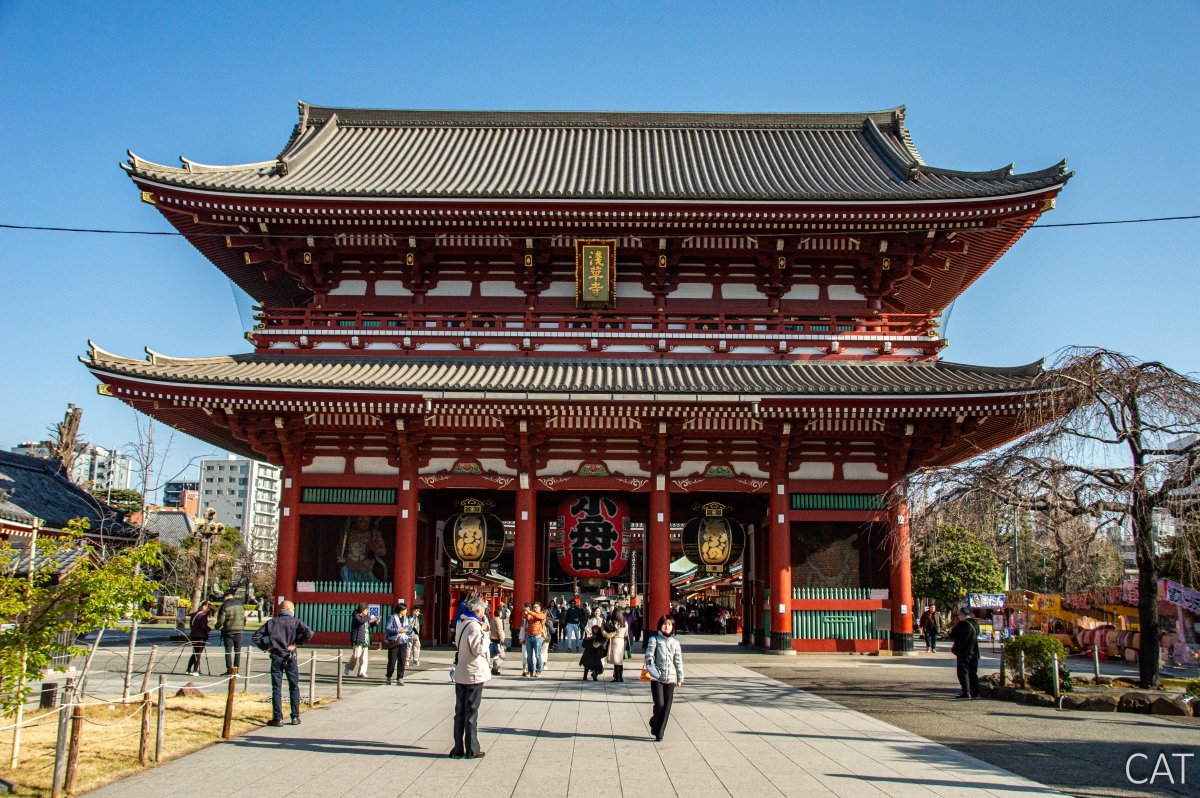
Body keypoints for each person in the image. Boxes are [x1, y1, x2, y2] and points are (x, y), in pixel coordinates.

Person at [252, 600, 313, 727]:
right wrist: (296, 644)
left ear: (281, 609)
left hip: (276, 655)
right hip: (290, 656)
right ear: (291, 610)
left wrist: (266, 647)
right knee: (294, 686)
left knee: (276, 687)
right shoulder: (296, 622)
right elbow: (309, 633)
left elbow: (256, 636)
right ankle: (295, 716)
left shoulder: (272, 622)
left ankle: (278, 717)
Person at [450, 595, 491, 759]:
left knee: (459, 711)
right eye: (483, 610)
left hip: (461, 672)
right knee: (471, 712)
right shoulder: (474, 626)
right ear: (478, 610)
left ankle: (457, 748)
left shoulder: (461, 623)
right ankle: (471, 749)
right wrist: (485, 634)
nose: (484, 613)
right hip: (473, 672)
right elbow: (478, 649)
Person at [645, 614, 684, 742]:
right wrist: (652, 670)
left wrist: (680, 677)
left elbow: (678, 661)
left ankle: (660, 732)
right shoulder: (654, 639)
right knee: (660, 704)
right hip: (657, 677)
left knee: (667, 707)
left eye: (669, 624)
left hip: (671, 677)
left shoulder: (675, 643)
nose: (666, 626)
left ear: (673, 627)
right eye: (664, 623)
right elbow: (649, 656)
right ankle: (654, 721)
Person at [338, 515, 387, 583]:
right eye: (360, 519)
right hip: (349, 567)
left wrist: (375, 549)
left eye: (366, 519)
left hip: (366, 568)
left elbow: (383, 552)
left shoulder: (374, 534)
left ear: (370, 520)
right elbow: (340, 551)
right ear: (355, 519)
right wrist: (341, 559)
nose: (363, 521)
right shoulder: (348, 533)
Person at [949, 607, 981, 699]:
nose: (958, 617)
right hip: (974, 651)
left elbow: (952, 636)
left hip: (964, 651)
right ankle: (975, 692)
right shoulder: (975, 624)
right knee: (973, 672)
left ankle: (966, 692)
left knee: (963, 672)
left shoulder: (962, 624)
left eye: (958, 615)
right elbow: (977, 634)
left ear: (962, 615)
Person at [214, 590, 246, 676]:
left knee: (228, 651)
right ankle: (236, 670)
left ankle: (229, 669)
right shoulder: (240, 604)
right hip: (239, 630)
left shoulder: (224, 605)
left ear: (226, 597)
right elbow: (244, 617)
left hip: (228, 630)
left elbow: (221, 621)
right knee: (237, 650)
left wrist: (216, 627)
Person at [345, 603, 376, 678]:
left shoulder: (365, 617)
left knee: (364, 658)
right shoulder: (356, 615)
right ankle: (348, 666)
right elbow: (360, 621)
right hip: (358, 638)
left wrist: (375, 623)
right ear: (362, 610)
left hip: (366, 639)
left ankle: (361, 672)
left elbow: (368, 625)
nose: (367, 612)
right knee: (356, 655)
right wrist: (369, 617)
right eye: (366, 610)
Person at [384, 602, 411, 685]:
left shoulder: (406, 619)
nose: (406, 611)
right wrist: (398, 630)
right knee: (392, 661)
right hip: (394, 641)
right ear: (401, 610)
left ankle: (400, 678)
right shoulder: (392, 617)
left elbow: (410, 630)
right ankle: (389, 676)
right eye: (405, 610)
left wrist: (407, 631)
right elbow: (387, 628)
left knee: (402, 660)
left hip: (403, 641)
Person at [185, 600, 211, 676]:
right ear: (203, 606)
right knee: (198, 653)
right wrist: (208, 629)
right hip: (201, 636)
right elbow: (203, 626)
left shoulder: (193, 614)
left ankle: (188, 669)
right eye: (207, 607)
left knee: (194, 652)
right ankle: (195, 670)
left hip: (193, 635)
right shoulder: (203, 615)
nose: (208, 609)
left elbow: (191, 626)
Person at [523, 602, 547, 677]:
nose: (535, 608)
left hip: (537, 637)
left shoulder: (542, 614)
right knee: (529, 655)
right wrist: (526, 613)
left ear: (540, 607)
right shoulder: (531, 614)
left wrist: (529, 612)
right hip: (529, 636)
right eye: (534, 607)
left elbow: (538, 617)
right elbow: (527, 618)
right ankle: (530, 671)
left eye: (536, 607)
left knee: (538, 655)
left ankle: (538, 671)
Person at [605, 608, 627, 681]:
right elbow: (626, 634)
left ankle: (616, 677)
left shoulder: (615, 623)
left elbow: (610, 631)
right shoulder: (625, 622)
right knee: (620, 660)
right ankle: (620, 677)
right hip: (621, 641)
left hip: (615, 640)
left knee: (616, 660)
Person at [488, 608, 507, 675]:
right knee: (500, 655)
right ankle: (495, 668)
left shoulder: (492, 620)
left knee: (492, 655)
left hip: (492, 639)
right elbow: (499, 630)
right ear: (499, 614)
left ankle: (492, 668)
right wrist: (502, 638)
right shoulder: (498, 620)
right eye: (501, 613)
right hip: (497, 640)